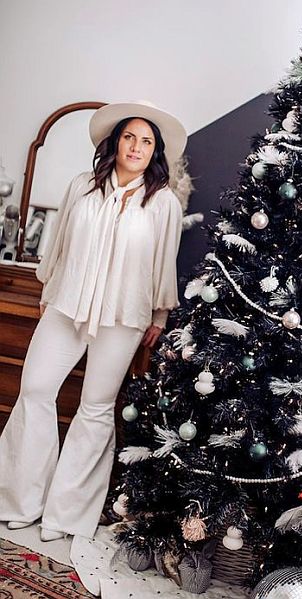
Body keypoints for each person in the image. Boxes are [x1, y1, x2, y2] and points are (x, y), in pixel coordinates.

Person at [0, 100, 187, 542]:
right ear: (115, 141)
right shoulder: (82, 185)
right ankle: (21, 500)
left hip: (124, 316)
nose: (136, 147)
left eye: (146, 141)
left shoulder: (163, 203)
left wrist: (158, 315)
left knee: (97, 408)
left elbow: (164, 265)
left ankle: (66, 515)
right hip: (67, 305)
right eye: (129, 137)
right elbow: (59, 245)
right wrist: (49, 291)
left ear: (155, 151)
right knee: (36, 391)